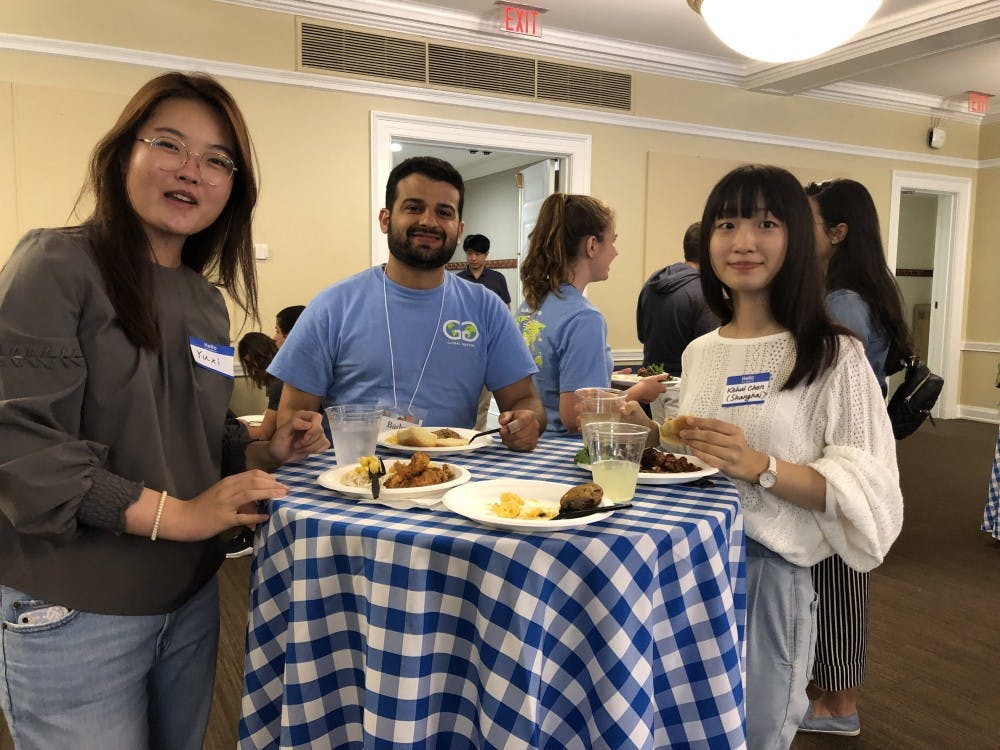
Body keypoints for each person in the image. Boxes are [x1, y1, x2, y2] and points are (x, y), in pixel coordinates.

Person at [0, 72, 328, 750]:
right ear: (125, 155)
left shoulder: (205, 303)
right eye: (170, 145)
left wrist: (265, 451)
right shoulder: (55, 262)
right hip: (76, 608)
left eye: (217, 160)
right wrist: (179, 515)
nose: (191, 171)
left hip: (190, 600)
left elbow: (200, 434)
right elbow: (19, 443)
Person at [628, 164, 903, 748]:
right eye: (726, 223)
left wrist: (763, 467)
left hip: (770, 576)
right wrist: (652, 439)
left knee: (756, 733)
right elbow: (698, 458)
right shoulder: (701, 352)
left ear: (796, 240)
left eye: (766, 223)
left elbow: (869, 491)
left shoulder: (834, 353)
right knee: (683, 724)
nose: (743, 241)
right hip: (688, 565)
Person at [270, 156, 545, 450]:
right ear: (385, 219)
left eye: (444, 212)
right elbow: (292, 414)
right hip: (353, 480)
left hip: (452, 480)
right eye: (414, 208)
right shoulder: (332, 306)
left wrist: (527, 422)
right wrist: (302, 432)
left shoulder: (486, 309)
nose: (428, 221)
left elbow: (524, 401)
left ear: (459, 228)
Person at [799, 177, 913, 736]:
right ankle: (829, 692)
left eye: (811, 223)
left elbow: (839, 389)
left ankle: (841, 703)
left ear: (838, 233)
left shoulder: (843, 302)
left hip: (844, 460)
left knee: (842, 580)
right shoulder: (855, 292)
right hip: (848, 455)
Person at [516, 193, 668, 434]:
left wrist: (602, 375)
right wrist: (637, 393)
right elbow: (576, 416)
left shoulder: (530, 306)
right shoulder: (584, 318)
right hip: (562, 454)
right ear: (592, 245)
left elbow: (548, 378)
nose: (615, 252)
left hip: (532, 445)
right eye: (612, 241)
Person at [636, 221, 720, 377]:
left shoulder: (652, 282)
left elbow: (642, 336)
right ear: (711, 252)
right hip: (685, 387)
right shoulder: (704, 293)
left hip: (648, 384)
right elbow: (711, 354)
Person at [238, 305, 306, 442]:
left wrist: (240, 429)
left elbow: (264, 434)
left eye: (277, 331)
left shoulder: (283, 378)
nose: (274, 338)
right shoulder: (316, 368)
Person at [238, 332, 280, 440]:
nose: (255, 368)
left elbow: (264, 434)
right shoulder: (276, 378)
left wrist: (241, 429)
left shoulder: (277, 382)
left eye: (256, 361)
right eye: (250, 364)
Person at [457, 233, 511, 305]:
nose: (473, 258)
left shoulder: (498, 278)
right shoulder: (458, 279)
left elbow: (506, 307)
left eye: (477, 254)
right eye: (469, 254)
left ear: (486, 254)